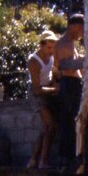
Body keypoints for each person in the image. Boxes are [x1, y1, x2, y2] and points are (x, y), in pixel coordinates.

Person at [54, 13, 85, 163]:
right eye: (81, 29)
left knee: (72, 119)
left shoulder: (69, 43)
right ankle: (67, 157)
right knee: (69, 120)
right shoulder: (65, 44)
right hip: (69, 84)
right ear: (75, 26)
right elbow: (67, 68)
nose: (82, 33)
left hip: (71, 84)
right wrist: (83, 63)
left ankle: (69, 155)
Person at [27, 30, 60, 168]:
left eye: (53, 47)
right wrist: (55, 90)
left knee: (47, 127)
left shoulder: (52, 57)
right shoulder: (34, 61)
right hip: (37, 94)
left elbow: (54, 74)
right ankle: (43, 161)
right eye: (48, 47)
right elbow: (36, 89)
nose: (51, 50)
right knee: (50, 125)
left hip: (48, 91)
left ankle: (34, 160)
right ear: (41, 45)